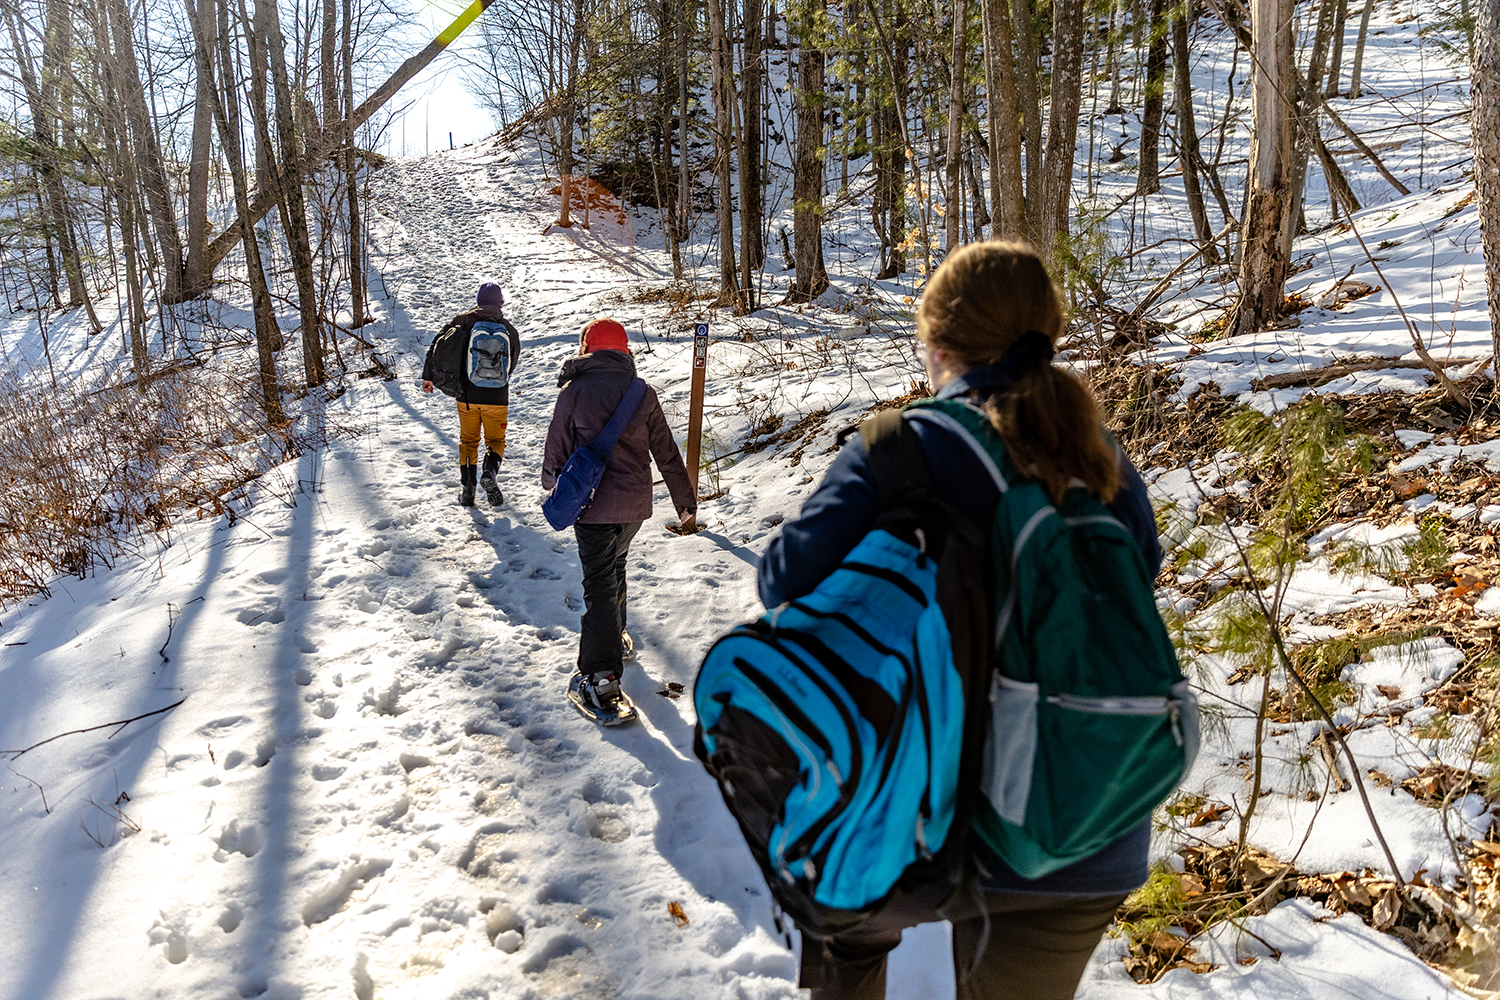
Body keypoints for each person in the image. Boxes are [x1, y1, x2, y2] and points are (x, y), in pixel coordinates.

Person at [757, 242, 1163, 1000]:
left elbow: (782, 583)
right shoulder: (1099, 456)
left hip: (919, 809)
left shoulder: (899, 447)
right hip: (1083, 821)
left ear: (936, 345)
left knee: (844, 918)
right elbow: (1141, 576)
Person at [542, 317, 699, 719]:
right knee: (615, 567)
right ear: (624, 350)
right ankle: (617, 633)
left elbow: (557, 446)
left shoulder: (573, 391)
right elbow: (665, 450)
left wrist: (552, 484)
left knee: (599, 583)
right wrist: (684, 500)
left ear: (587, 349)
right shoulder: (641, 393)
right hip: (633, 507)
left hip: (591, 506)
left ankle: (600, 677)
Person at [422, 282, 521, 506]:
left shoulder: (462, 321)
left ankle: (468, 490)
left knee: (468, 441)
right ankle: (489, 472)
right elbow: (511, 365)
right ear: (500, 303)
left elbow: (436, 347)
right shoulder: (507, 328)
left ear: (478, 301)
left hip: (466, 396)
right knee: (495, 440)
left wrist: (428, 376)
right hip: (497, 397)